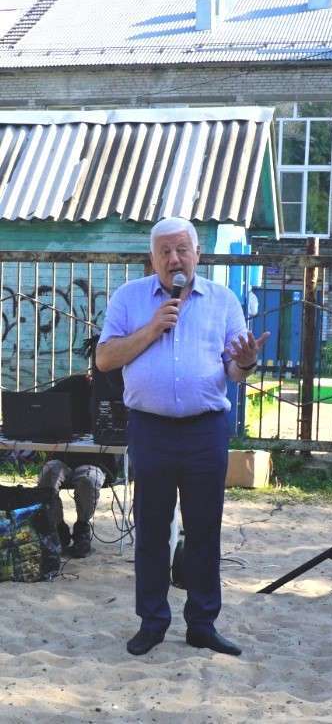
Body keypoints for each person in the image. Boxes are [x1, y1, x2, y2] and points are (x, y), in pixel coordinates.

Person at [96, 216, 268, 657]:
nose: (175, 259)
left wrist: (245, 362)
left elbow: (234, 370)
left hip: (204, 429)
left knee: (204, 529)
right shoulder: (129, 298)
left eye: (182, 250)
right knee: (152, 529)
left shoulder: (223, 300)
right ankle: (152, 621)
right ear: (152, 258)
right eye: (165, 252)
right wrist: (152, 328)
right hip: (149, 427)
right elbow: (105, 359)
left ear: (197, 254)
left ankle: (202, 624)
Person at [37, 449, 120, 558]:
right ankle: (57, 528)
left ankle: (82, 529)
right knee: (47, 473)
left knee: (88, 480)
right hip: (60, 458)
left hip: (95, 462)